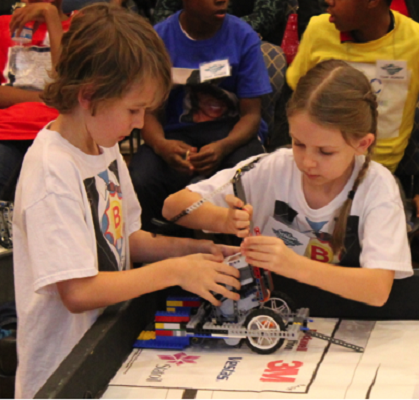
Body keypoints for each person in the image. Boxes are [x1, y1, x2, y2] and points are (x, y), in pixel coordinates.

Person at [13, 4, 241, 398]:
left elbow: (128, 238)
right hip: (59, 376)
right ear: (89, 96)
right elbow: (78, 292)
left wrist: (200, 249)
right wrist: (177, 272)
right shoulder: (52, 170)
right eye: (133, 110)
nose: (139, 123)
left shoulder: (103, 144)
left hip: (101, 348)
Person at [164, 60, 414, 307]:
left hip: (346, 315)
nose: (308, 162)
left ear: (362, 144)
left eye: (325, 152)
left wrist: (292, 265)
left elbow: (378, 289)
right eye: (298, 143)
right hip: (272, 311)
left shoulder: (377, 186)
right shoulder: (272, 167)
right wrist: (223, 220)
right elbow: (173, 207)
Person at [286, 0, 419, 232]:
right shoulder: (318, 29)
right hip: (313, 171)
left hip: (376, 175)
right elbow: (292, 106)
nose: (327, 1)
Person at [129, 0, 272, 234]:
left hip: (231, 135)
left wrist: (223, 147)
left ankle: (243, 248)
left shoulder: (243, 36)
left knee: (252, 177)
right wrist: (162, 145)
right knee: (141, 180)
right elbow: (148, 112)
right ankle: (163, 247)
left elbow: (251, 115)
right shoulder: (159, 39)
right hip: (174, 136)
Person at [0, 0, 73, 199]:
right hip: (7, 133)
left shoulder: (82, 26)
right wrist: (47, 97)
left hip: (60, 133)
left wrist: (51, 18)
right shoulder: (3, 25)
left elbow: (67, 87)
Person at [153, 0, 287, 45]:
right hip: (189, 37)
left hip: (247, 41)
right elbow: (163, 11)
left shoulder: (243, 33)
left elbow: (266, 16)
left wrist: (222, 31)